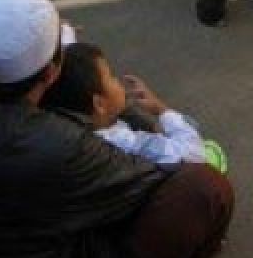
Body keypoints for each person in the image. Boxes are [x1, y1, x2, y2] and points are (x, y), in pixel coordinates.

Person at [0, 0, 233, 258]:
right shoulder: (60, 144)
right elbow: (156, 176)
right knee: (205, 187)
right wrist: (160, 118)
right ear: (51, 73)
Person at [43, 42, 206, 166]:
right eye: (111, 76)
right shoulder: (124, 142)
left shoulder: (60, 127)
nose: (117, 80)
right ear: (99, 104)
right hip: (165, 179)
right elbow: (194, 154)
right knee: (192, 133)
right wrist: (162, 110)